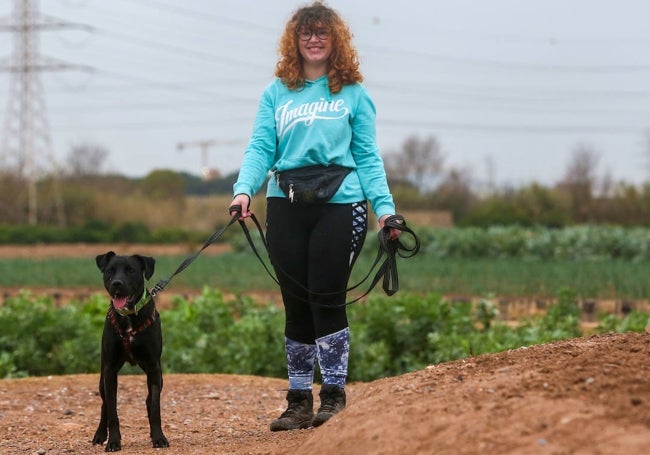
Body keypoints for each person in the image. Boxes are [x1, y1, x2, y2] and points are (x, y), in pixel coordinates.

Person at [229, 1, 401, 431]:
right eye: (306, 33)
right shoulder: (276, 93)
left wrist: (387, 212)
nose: (314, 39)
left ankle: (334, 396)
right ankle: (298, 400)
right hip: (285, 203)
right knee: (295, 300)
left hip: (341, 203)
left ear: (335, 39)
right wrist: (243, 191)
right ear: (295, 40)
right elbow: (260, 149)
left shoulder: (354, 95)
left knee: (326, 295)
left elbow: (367, 157)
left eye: (322, 32)